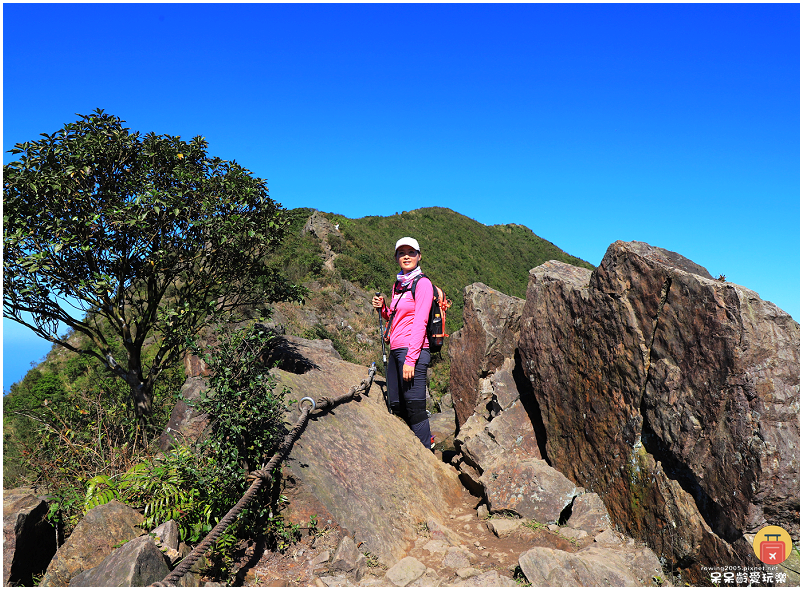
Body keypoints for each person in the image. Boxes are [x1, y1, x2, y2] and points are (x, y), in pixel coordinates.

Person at [372, 237, 433, 449]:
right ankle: (408, 449)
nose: (406, 256)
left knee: (415, 407)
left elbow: (420, 322)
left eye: (411, 252)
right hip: (396, 349)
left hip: (412, 352)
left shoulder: (423, 284)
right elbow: (397, 317)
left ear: (419, 256)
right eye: (401, 252)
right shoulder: (398, 285)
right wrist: (383, 309)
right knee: (396, 403)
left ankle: (426, 451)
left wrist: (410, 359)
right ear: (397, 257)